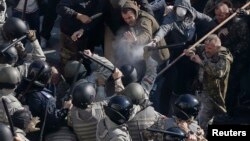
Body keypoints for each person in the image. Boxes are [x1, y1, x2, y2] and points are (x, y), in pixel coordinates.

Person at [184, 34, 233, 134]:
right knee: (195, 116)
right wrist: (191, 51)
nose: (207, 50)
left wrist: (201, 62)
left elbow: (218, 72)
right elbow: (196, 47)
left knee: (202, 120)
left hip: (211, 94)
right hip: (200, 89)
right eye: (206, 47)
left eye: (210, 48)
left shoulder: (224, 57)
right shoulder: (205, 48)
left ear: (217, 47)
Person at [17, 60, 72, 140]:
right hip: (35, 133)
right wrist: (65, 109)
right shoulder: (47, 99)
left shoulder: (20, 86)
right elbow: (53, 122)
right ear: (46, 77)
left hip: (19, 127)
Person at [213, 2, 250, 117]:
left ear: (228, 13)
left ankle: (229, 112)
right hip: (227, 56)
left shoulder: (239, 23)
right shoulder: (222, 23)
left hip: (239, 59)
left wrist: (232, 52)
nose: (218, 18)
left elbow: (246, 42)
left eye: (221, 15)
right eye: (217, 15)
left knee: (232, 85)